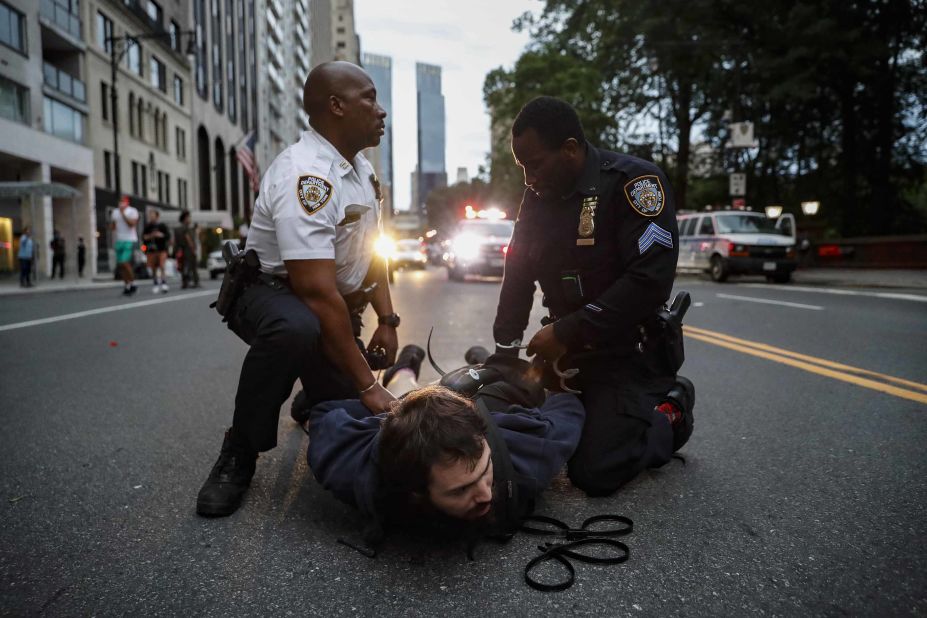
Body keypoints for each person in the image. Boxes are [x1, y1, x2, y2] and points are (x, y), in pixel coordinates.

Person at [196, 61, 395, 517]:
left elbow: (376, 250)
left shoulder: (361, 171)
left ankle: (315, 389)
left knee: (350, 414)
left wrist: (387, 318)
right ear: (336, 106)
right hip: (269, 294)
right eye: (369, 98)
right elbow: (315, 293)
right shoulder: (306, 177)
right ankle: (239, 452)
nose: (381, 111)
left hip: (331, 302)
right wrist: (367, 383)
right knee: (296, 329)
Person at [493, 96, 695, 497]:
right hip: (569, 357)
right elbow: (518, 272)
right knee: (501, 422)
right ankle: (594, 409)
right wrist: (505, 351)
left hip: (628, 355)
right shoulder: (537, 197)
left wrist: (567, 331)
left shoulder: (635, 184)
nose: (528, 178)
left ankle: (672, 412)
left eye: (535, 164)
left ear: (570, 148)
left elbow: (650, 280)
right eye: (522, 168)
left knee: (595, 471)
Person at [306, 345, 585, 547]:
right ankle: (407, 362)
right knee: (403, 391)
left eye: (484, 470)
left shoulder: (525, 453)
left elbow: (566, 407)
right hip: (412, 406)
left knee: (513, 378)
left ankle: (481, 360)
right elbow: (323, 415)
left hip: (493, 398)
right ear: (415, 493)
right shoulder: (354, 467)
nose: (486, 494)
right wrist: (396, 414)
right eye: (461, 489)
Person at [111, 197, 139, 296]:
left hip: (129, 240)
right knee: (121, 265)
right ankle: (127, 285)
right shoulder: (115, 212)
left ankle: (133, 283)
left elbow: (132, 224)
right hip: (119, 240)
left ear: (127, 203)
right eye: (120, 202)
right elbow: (113, 226)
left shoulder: (132, 211)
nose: (121, 204)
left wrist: (123, 214)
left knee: (124, 262)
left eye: (123, 201)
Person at [142, 209, 171, 293]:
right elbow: (143, 237)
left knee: (162, 266)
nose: (151, 217)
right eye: (150, 215)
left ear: (157, 216)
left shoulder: (162, 226)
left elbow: (167, 236)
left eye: (153, 215)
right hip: (151, 250)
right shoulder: (147, 227)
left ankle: (164, 283)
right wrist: (151, 235)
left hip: (161, 249)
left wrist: (160, 235)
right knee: (153, 268)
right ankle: (155, 283)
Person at [174, 210, 199, 288]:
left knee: (183, 265)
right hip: (188, 249)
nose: (190, 219)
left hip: (181, 249)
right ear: (185, 218)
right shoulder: (186, 228)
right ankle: (195, 281)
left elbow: (175, 241)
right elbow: (188, 238)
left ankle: (185, 282)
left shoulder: (177, 229)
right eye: (189, 218)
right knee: (192, 265)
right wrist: (193, 249)